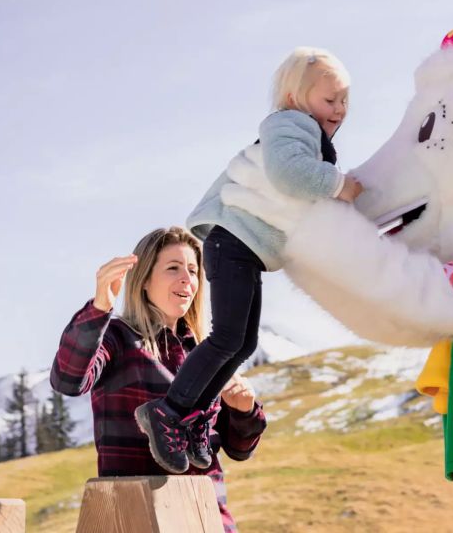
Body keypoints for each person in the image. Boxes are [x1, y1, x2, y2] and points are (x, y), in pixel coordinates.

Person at [135, 47, 362, 473]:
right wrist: (340, 185)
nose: (339, 109)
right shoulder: (289, 126)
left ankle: (193, 417)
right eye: (329, 100)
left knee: (243, 343)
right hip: (233, 241)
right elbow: (288, 175)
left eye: (345, 100)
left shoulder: (310, 139)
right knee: (227, 338)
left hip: (246, 249)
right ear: (295, 98)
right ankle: (167, 411)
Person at [50, 226, 266, 532]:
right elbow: (68, 380)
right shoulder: (118, 337)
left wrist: (245, 410)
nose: (187, 280)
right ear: (144, 280)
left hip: (206, 515)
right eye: (173, 268)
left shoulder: (207, 351)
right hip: (140, 514)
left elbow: (239, 449)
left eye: (193, 270)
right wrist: (100, 307)